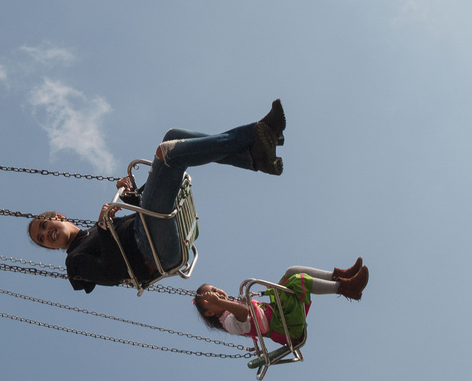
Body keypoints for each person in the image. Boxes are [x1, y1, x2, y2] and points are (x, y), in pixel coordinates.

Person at [28, 101, 287, 294]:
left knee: (172, 137)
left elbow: (145, 208)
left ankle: (253, 156)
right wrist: (106, 228)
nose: (46, 235)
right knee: (168, 153)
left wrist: (128, 195)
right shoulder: (75, 263)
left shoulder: (96, 230)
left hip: (153, 229)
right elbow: (113, 272)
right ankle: (256, 135)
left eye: (43, 226)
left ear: (57, 217)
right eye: (42, 240)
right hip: (153, 252)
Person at [194, 259, 369, 345]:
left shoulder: (233, 304)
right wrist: (223, 303)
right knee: (298, 280)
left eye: (215, 289)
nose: (216, 294)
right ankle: (347, 288)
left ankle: (341, 277)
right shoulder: (229, 324)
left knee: (291, 272)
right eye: (210, 297)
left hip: (280, 313)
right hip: (286, 327)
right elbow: (243, 314)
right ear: (209, 313)